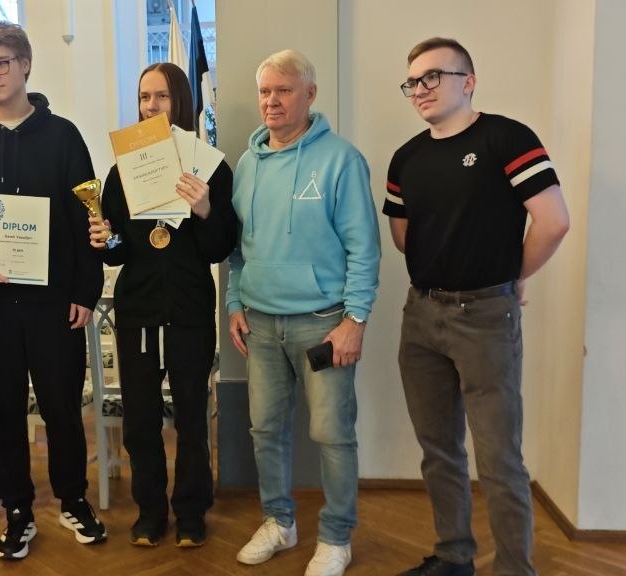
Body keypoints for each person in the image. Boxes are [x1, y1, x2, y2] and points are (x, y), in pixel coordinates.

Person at [385, 38, 570, 576]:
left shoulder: (506, 139)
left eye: (433, 76)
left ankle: (514, 568)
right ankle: (453, 557)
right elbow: (403, 237)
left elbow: (554, 221)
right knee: (438, 450)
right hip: (421, 317)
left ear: (468, 82)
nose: (420, 89)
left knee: (498, 458)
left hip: (486, 319)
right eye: (412, 81)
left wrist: (512, 276)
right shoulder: (407, 158)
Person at [0, 19, 106, 560]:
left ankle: (74, 499)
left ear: (25, 65)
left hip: (54, 304)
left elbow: (87, 217)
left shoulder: (63, 136)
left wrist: (84, 291)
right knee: (4, 412)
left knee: (62, 409)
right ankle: (17, 511)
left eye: (0, 63)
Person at [224, 49, 380, 576]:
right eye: (265, 91)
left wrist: (354, 320)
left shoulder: (341, 160)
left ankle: (336, 538)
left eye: (284, 90)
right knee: (265, 429)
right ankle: (279, 522)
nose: (271, 101)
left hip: (323, 324)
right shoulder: (248, 165)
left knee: (332, 434)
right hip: (261, 325)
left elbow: (364, 248)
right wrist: (235, 301)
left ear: (309, 95)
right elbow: (239, 247)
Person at [86, 62, 238, 548]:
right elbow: (118, 251)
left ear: (182, 102)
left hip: (190, 311)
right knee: (140, 419)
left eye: (162, 97)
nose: (151, 106)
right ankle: (150, 511)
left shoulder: (210, 167)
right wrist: (104, 239)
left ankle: (191, 512)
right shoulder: (121, 171)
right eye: (144, 97)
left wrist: (206, 209)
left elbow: (219, 248)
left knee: (192, 418)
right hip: (139, 312)